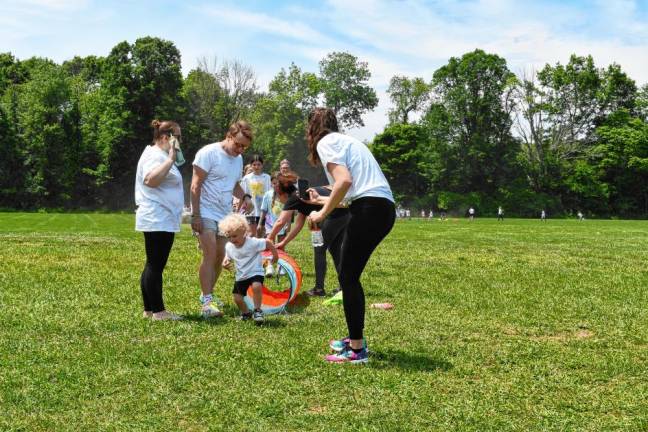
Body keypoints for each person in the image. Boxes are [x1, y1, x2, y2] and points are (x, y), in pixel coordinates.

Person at [306, 107, 395, 364]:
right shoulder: (347, 141)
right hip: (380, 207)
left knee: (347, 276)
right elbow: (350, 195)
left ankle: (357, 350)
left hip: (370, 208)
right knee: (349, 274)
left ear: (312, 129)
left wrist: (321, 214)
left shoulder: (326, 142)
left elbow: (343, 181)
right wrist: (323, 199)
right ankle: (355, 339)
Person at [190, 120, 253, 318]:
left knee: (219, 256)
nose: (241, 150)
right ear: (229, 136)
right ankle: (207, 305)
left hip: (224, 214)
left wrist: (245, 196)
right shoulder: (208, 153)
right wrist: (196, 214)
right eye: (238, 144)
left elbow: (234, 185)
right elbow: (195, 185)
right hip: (205, 211)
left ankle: (205, 295)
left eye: (244, 147)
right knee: (209, 254)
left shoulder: (238, 159)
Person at [265, 172, 350, 297]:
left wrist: (269, 238)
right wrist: (283, 242)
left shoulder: (294, 198)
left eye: (277, 196)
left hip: (336, 213)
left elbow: (280, 222)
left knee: (320, 248)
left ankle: (319, 289)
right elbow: (298, 225)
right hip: (345, 211)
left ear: (281, 191)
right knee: (335, 248)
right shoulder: (302, 196)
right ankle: (345, 287)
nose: (279, 200)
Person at [135, 119, 184, 321]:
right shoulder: (156, 156)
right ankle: (159, 312)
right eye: (178, 137)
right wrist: (171, 158)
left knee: (152, 264)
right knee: (156, 265)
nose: (181, 140)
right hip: (158, 217)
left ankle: (149, 310)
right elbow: (151, 180)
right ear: (167, 138)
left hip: (161, 216)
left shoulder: (157, 154)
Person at [220, 213, 278, 324]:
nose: (232, 239)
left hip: (255, 271)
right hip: (241, 275)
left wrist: (275, 256)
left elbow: (268, 242)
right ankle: (246, 313)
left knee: (256, 286)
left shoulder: (252, 242)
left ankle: (257, 310)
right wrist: (225, 262)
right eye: (229, 237)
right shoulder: (229, 246)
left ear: (244, 232)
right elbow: (228, 256)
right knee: (237, 298)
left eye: (235, 236)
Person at [240, 155, 271, 237]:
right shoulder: (246, 178)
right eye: (254, 164)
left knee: (261, 233)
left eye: (259, 164)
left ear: (262, 165)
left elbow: (270, 193)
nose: (256, 167)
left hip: (263, 210)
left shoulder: (267, 177)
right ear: (251, 165)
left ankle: (261, 249)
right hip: (251, 210)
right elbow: (242, 193)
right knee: (251, 233)